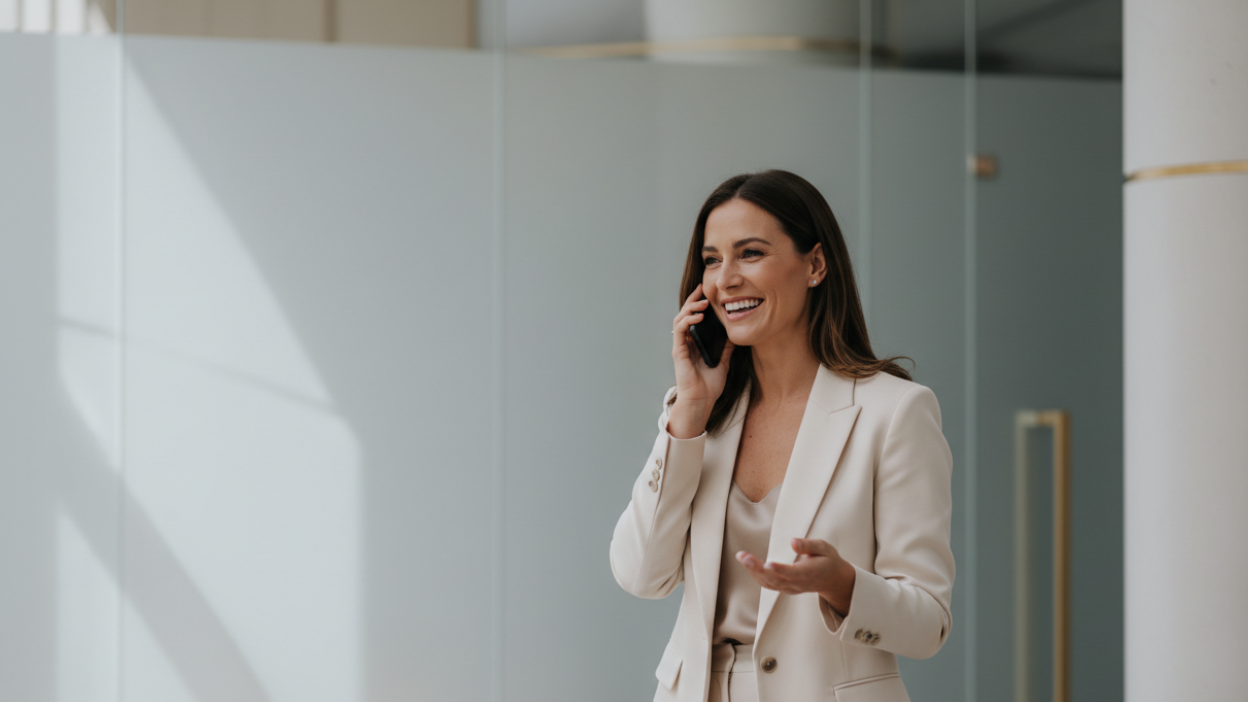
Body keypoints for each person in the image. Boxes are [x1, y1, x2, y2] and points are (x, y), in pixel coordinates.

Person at [609, 170, 955, 702]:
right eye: (711, 259)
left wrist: (842, 583)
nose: (725, 279)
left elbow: (928, 622)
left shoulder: (895, 412)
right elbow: (640, 574)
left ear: (815, 265)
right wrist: (690, 414)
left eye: (750, 253)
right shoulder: (704, 416)